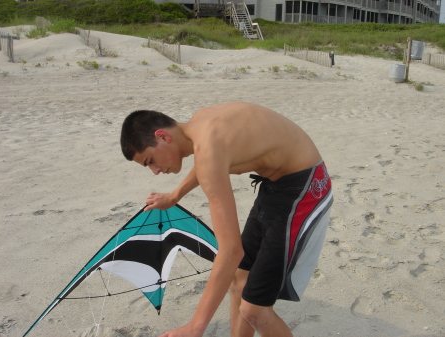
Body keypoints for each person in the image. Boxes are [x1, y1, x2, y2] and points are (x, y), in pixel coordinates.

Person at [120, 102, 333, 337]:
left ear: (162, 137)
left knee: (255, 309)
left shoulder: (208, 149)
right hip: (275, 185)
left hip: (305, 187)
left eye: (150, 161)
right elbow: (207, 161)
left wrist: (195, 327)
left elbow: (231, 251)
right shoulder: (199, 124)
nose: (155, 171)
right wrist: (175, 195)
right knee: (239, 281)